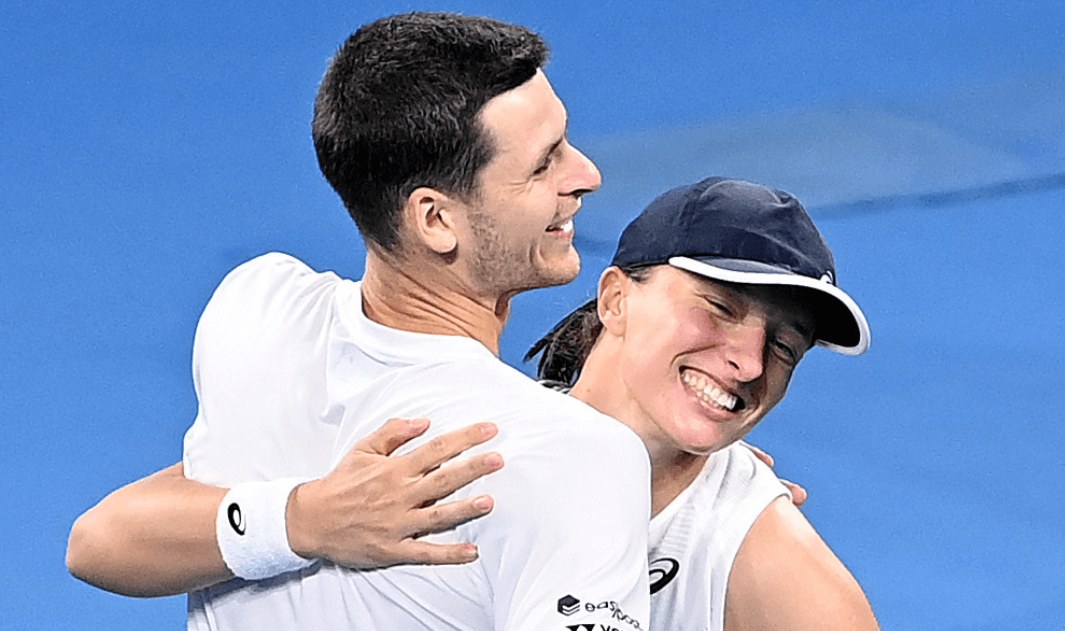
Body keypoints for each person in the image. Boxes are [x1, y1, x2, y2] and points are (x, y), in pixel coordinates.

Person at [70, 177, 881, 629]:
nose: (746, 361)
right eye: (719, 308)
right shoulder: (472, 430)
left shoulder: (761, 556)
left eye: (784, 346)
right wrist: (307, 517)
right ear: (614, 298)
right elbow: (102, 540)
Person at [70, 12, 654, 631]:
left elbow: (100, 543)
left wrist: (298, 520)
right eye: (545, 164)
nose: (586, 175)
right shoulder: (577, 456)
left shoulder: (257, 312)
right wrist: (309, 518)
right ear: (434, 220)